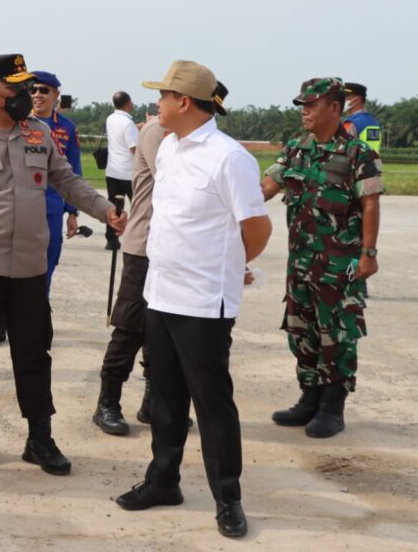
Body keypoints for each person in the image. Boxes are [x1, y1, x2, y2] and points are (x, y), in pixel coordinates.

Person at [0, 53, 126, 476]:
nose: (24, 96)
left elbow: (67, 180)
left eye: (26, 87)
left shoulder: (39, 133)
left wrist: (104, 209)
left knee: (34, 355)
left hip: (30, 270)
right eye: (14, 89)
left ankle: (40, 437)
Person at [115, 60, 271, 539]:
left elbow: (257, 226)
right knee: (164, 395)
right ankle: (164, 480)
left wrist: (229, 265)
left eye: (162, 95)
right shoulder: (168, 147)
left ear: (184, 102)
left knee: (211, 402)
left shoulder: (229, 157)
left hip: (204, 302)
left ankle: (228, 497)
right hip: (161, 292)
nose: (156, 103)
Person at [93, 85, 227, 436]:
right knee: (130, 326)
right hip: (145, 245)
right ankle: (108, 401)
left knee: (163, 330)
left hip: (176, 248)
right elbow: (184, 183)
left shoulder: (192, 141)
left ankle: (154, 401)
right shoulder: (158, 134)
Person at [261, 78, 383, 438]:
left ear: (335, 107)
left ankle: (333, 406)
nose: (305, 111)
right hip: (300, 262)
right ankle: (309, 397)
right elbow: (267, 187)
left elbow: (370, 204)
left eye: (312, 105)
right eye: (302, 105)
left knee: (338, 334)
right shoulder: (296, 148)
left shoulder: (358, 153)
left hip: (339, 264)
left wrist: (369, 254)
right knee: (301, 331)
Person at [29, 70, 82, 293]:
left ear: (56, 94)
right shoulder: (17, 122)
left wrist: (72, 211)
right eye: (33, 90)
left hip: (51, 204)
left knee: (49, 257)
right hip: (22, 201)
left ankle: (39, 310)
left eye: (44, 90)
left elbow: (74, 169)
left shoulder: (66, 128)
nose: (37, 95)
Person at [104, 91, 139, 251]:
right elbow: (134, 148)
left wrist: (138, 127)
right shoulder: (127, 124)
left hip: (112, 171)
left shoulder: (111, 119)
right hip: (128, 172)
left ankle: (111, 240)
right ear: (128, 103)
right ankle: (137, 238)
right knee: (138, 206)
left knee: (114, 206)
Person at [341, 82, 383, 153]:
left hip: (355, 163)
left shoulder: (350, 123)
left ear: (356, 100)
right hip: (373, 163)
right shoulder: (375, 122)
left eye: (343, 98)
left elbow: (342, 150)